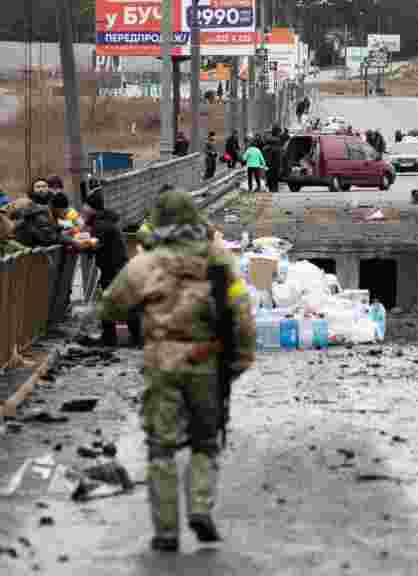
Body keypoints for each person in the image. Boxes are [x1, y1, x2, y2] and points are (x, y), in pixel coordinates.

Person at [96, 189, 256, 552]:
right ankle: (200, 507)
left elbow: (108, 308)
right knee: (205, 441)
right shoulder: (219, 259)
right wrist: (239, 361)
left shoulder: (145, 263)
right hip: (207, 361)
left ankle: (166, 531)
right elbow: (241, 312)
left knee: (161, 448)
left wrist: (144, 310)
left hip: (161, 362)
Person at [81, 190, 142, 348]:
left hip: (115, 270)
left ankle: (117, 338)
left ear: (92, 208)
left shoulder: (101, 225)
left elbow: (95, 245)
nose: (83, 209)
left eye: (85, 206)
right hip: (117, 268)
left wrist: (80, 244)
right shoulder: (105, 222)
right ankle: (132, 337)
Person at [264, 126, 284, 193]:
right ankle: (274, 189)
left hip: (268, 163)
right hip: (275, 164)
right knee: (274, 178)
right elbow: (279, 157)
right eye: (279, 132)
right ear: (277, 132)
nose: (280, 133)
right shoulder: (278, 144)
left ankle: (271, 189)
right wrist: (280, 166)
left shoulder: (266, 144)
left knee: (269, 176)